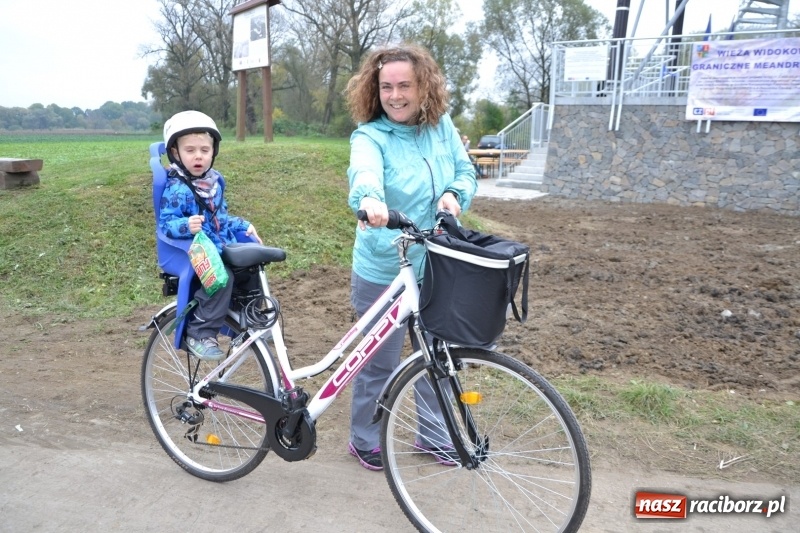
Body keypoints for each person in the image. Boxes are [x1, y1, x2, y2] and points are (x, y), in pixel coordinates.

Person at [344, 44, 477, 470]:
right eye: (386, 87)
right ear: (374, 89)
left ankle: (435, 436)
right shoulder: (370, 136)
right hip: (384, 265)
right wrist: (370, 201)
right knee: (378, 361)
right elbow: (364, 172)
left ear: (424, 88)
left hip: (436, 261)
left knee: (437, 354)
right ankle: (364, 437)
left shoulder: (441, 127)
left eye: (405, 85)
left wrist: (455, 196)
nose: (396, 95)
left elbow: (465, 171)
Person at [159, 110, 262, 361]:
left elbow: (221, 217)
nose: (198, 157)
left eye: (204, 150)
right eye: (190, 150)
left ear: (213, 152)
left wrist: (243, 225)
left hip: (219, 243)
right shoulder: (177, 187)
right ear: (176, 152)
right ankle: (200, 332)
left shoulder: (213, 183)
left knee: (251, 268)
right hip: (192, 249)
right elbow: (166, 223)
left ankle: (247, 324)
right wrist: (186, 225)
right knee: (221, 277)